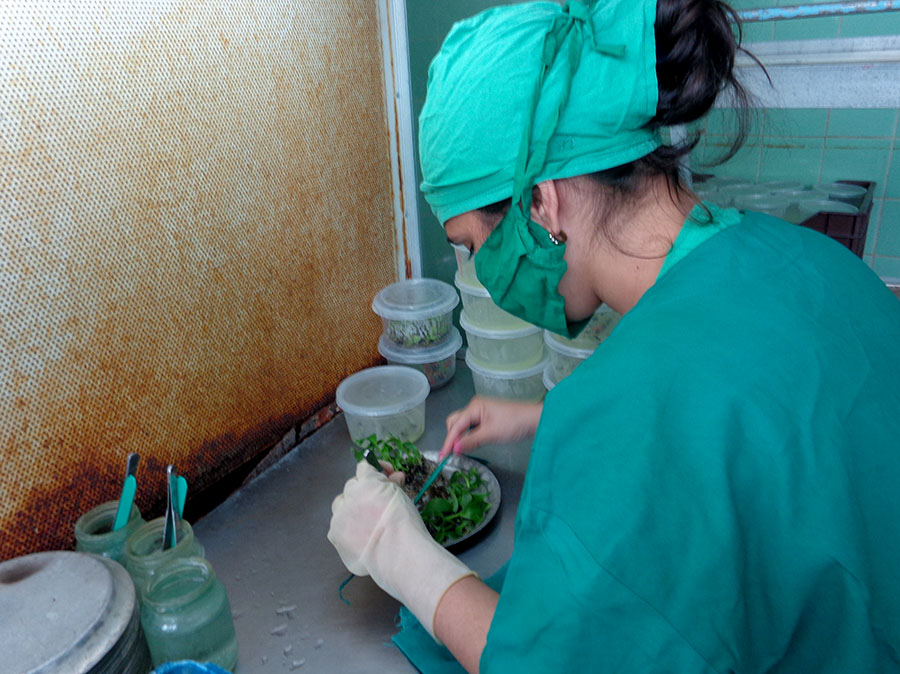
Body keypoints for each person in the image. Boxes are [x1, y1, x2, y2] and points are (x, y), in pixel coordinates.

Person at [328, 0, 900, 671]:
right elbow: (773, 437)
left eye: (473, 245)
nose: (481, 270)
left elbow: (555, 661)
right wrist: (553, 418)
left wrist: (401, 554)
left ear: (542, 203)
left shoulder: (639, 404)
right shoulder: (814, 260)